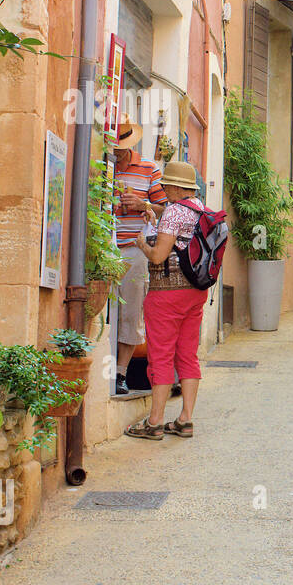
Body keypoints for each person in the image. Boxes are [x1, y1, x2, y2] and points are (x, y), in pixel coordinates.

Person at [125, 161, 207, 440]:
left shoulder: (173, 211)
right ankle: (185, 419)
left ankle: (155, 422)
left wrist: (141, 244)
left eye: (165, 186)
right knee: (187, 354)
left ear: (174, 187)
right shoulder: (200, 209)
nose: (163, 190)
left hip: (166, 293)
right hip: (195, 292)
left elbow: (159, 255)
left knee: (160, 355)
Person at [111, 120, 167, 396]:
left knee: (131, 313)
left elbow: (166, 208)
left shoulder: (148, 169)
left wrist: (143, 204)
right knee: (106, 313)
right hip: (104, 246)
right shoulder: (102, 165)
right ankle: (106, 371)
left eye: (121, 149)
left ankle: (120, 374)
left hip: (135, 248)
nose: (117, 153)